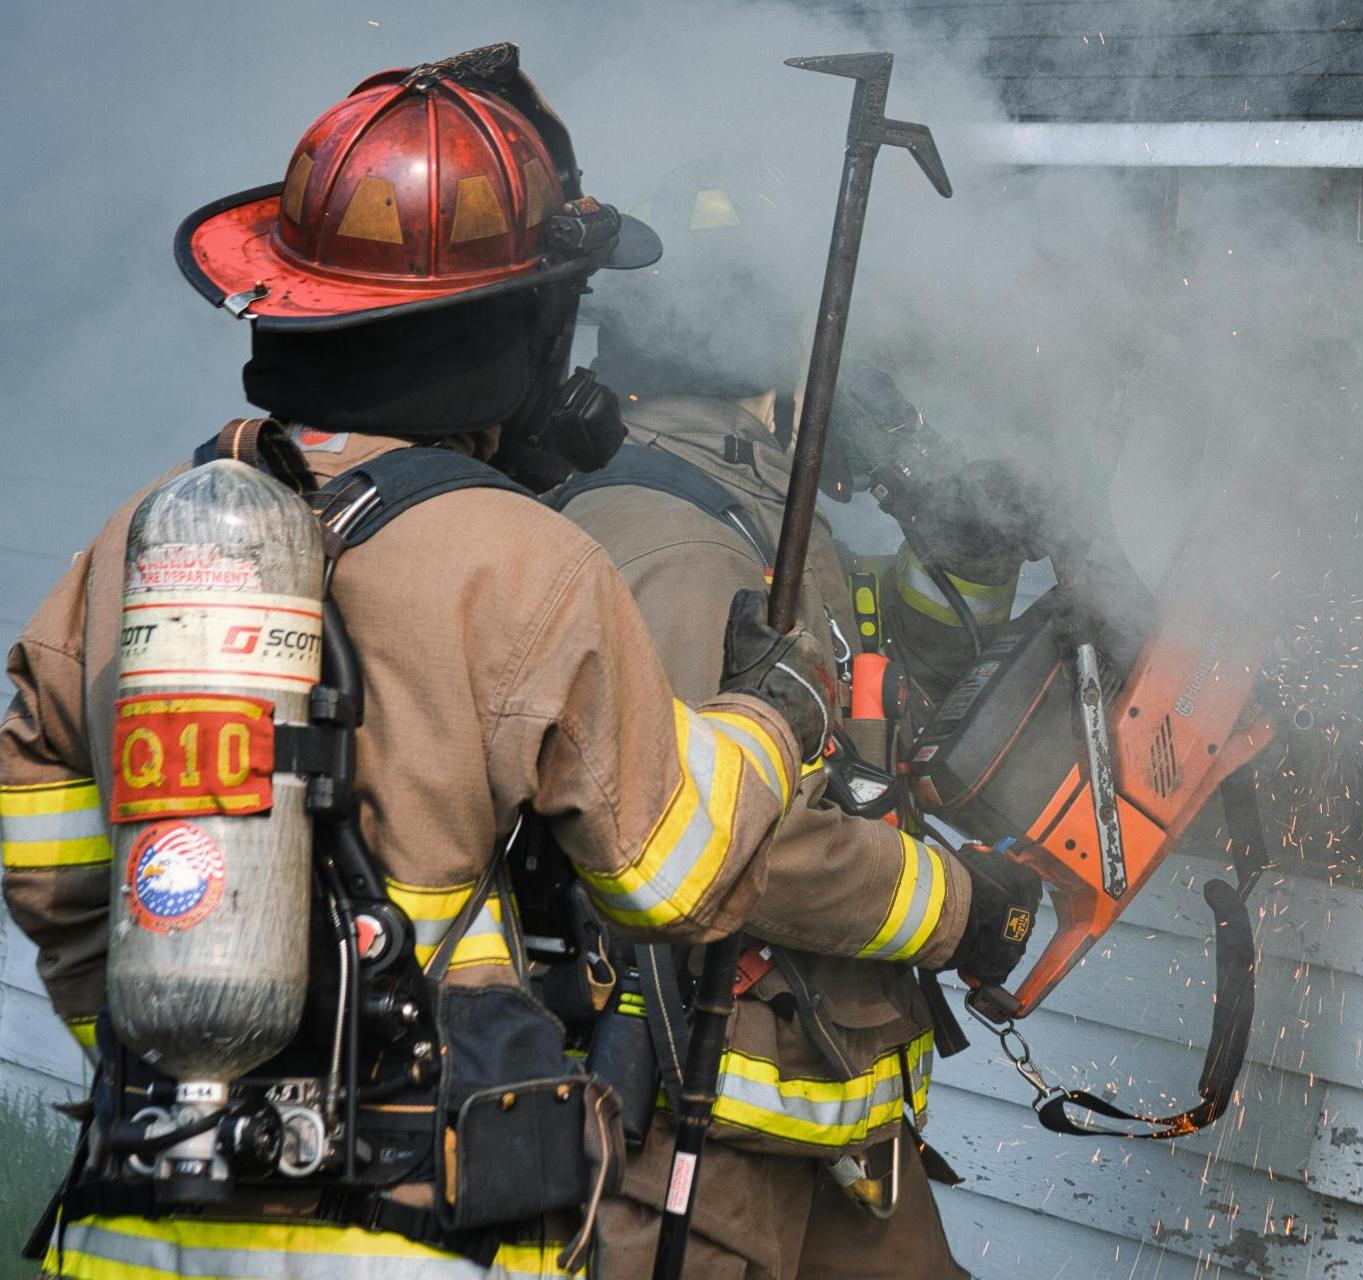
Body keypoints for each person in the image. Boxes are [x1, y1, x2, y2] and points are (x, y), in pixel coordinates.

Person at [0, 45, 835, 1280]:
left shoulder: (129, 545)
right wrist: (773, 711)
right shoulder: (529, 566)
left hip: (144, 1207)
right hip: (415, 1231)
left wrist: (181, 1041)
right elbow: (673, 873)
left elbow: (48, 860)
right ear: (522, 323)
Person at [555, 318, 1048, 1275]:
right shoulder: (691, 554)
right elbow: (733, 842)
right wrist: (963, 909)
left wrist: (970, 554)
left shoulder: (750, 520)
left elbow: (867, 696)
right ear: (787, 378)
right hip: (700, 1132)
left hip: (815, 1113)